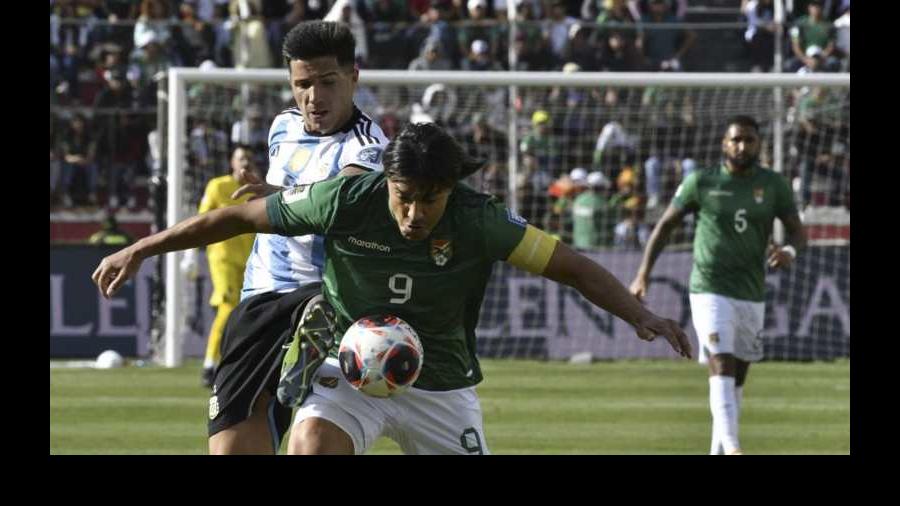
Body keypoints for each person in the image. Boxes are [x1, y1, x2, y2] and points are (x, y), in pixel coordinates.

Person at [93, 122, 692, 455]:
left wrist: (640, 314)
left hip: (441, 384)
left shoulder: (479, 219)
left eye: (428, 201)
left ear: (449, 191)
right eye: (403, 197)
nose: (412, 214)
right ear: (387, 181)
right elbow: (236, 218)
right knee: (309, 445)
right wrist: (140, 248)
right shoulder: (345, 199)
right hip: (350, 371)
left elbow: (574, 267)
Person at [101, 21, 387, 455]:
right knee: (230, 449)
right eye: (303, 84)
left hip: (325, 295)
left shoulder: (367, 148)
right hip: (260, 302)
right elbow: (257, 210)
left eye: (327, 82)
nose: (314, 97)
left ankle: (306, 352)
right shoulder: (282, 127)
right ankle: (291, 362)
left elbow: (332, 201)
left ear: (354, 77)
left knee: (313, 444)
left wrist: (278, 198)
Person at [629, 115, 806, 455]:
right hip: (708, 287)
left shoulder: (773, 185)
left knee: (736, 378)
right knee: (721, 362)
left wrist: (789, 249)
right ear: (724, 143)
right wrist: (643, 274)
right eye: (736, 139)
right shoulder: (702, 182)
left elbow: (798, 230)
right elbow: (664, 227)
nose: (742, 146)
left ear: (759, 145)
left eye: (749, 140)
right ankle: (736, 449)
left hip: (751, 291)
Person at [181, 145, 264, 388]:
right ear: (231, 162)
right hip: (223, 258)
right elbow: (200, 221)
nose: (245, 163)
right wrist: (190, 255)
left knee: (250, 311)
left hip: (251, 261)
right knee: (228, 308)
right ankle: (209, 364)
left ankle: (242, 363)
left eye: (249, 158)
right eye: (240, 158)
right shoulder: (218, 186)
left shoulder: (258, 187)